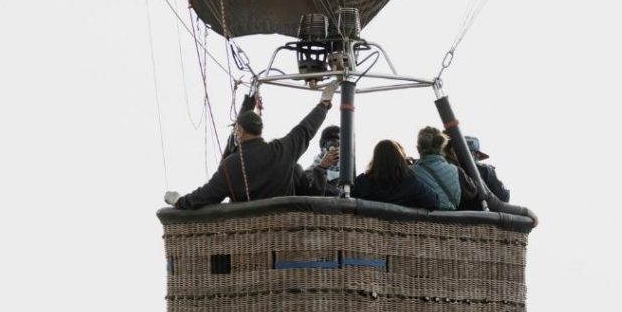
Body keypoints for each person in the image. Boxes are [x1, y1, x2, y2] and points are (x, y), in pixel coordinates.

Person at [164, 80, 337, 208]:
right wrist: (324, 105)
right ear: (260, 130)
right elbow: (305, 130)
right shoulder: (281, 151)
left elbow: (205, 196)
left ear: (239, 131)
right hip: (287, 234)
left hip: (250, 240)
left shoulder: (230, 166)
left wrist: (180, 201)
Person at [352, 140, 439, 209]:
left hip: (366, 229)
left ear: (375, 159)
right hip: (402, 230)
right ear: (400, 159)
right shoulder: (410, 183)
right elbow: (433, 202)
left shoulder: (361, 182)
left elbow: (346, 200)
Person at [446, 135, 511, 210]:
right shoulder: (486, 170)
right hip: (483, 218)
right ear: (475, 154)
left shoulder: (448, 169)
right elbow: (504, 197)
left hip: (453, 218)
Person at [410, 126, 462, 209]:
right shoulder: (454, 169)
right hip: (451, 218)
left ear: (418, 149)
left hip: (423, 220)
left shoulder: (411, 172)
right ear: (441, 147)